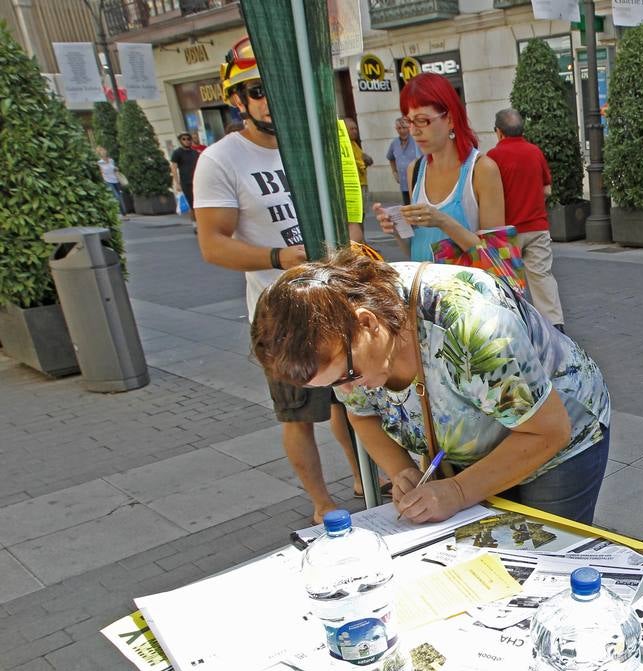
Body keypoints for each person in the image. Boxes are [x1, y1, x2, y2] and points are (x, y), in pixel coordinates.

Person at [250, 250, 612, 524]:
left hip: (561, 440)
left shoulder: (470, 327)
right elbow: (361, 417)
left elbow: (548, 431)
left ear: (368, 323)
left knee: (545, 562)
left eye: (347, 377)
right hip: (483, 440)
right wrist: (400, 470)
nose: (346, 392)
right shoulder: (346, 344)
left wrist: (457, 491)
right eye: (330, 387)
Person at [193, 37, 366, 524]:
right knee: (299, 414)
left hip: (337, 298)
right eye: (257, 90)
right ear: (238, 100)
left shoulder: (312, 143)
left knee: (356, 400)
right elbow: (213, 243)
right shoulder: (221, 160)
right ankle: (322, 504)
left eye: (277, 89)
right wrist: (278, 256)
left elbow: (347, 206)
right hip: (281, 315)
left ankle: (364, 476)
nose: (270, 100)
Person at [373, 72, 505, 260]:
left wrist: (442, 221)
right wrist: (397, 230)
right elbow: (417, 250)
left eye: (422, 120)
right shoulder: (415, 170)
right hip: (424, 287)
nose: (414, 131)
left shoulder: (482, 170)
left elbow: (495, 256)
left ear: (450, 119)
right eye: (409, 121)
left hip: (465, 288)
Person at [486, 107, 565, 329]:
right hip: (538, 226)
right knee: (542, 277)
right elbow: (547, 190)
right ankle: (554, 325)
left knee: (508, 281)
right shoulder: (534, 151)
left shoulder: (493, 157)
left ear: (499, 132)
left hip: (508, 232)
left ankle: (517, 326)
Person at [387, 115, 422, 204]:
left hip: (417, 180)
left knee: (418, 205)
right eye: (399, 128)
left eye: (404, 128)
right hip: (403, 182)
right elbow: (390, 158)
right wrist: (394, 172)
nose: (402, 131)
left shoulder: (416, 140)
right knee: (407, 207)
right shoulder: (394, 143)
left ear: (409, 127)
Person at [170, 132, 203, 226]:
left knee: (199, 203)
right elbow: (174, 168)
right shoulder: (177, 153)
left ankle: (201, 223)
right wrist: (177, 183)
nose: (187, 141)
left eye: (188, 139)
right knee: (192, 204)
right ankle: (195, 224)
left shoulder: (195, 153)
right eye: (184, 139)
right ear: (180, 141)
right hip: (186, 182)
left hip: (197, 181)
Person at [344, 117, 373, 210]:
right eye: (351, 129)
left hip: (362, 183)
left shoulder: (354, 143)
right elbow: (353, 162)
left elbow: (362, 156)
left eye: (355, 128)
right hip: (355, 185)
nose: (355, 131)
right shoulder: (345, 145)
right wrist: (364, 163)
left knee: (363, 212)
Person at [96, 145, 126, 214]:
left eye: (104, 150)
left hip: (115, 180)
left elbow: (115, 170)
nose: (103, 152)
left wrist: (116, 169)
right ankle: (119, 213)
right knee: (116, 196)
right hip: (108, 181)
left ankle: (123, 212)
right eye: (101, 151)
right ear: (99, 153)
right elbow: (100, 173)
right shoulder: (99, 163)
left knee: (120, 196)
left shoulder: (111, 160)